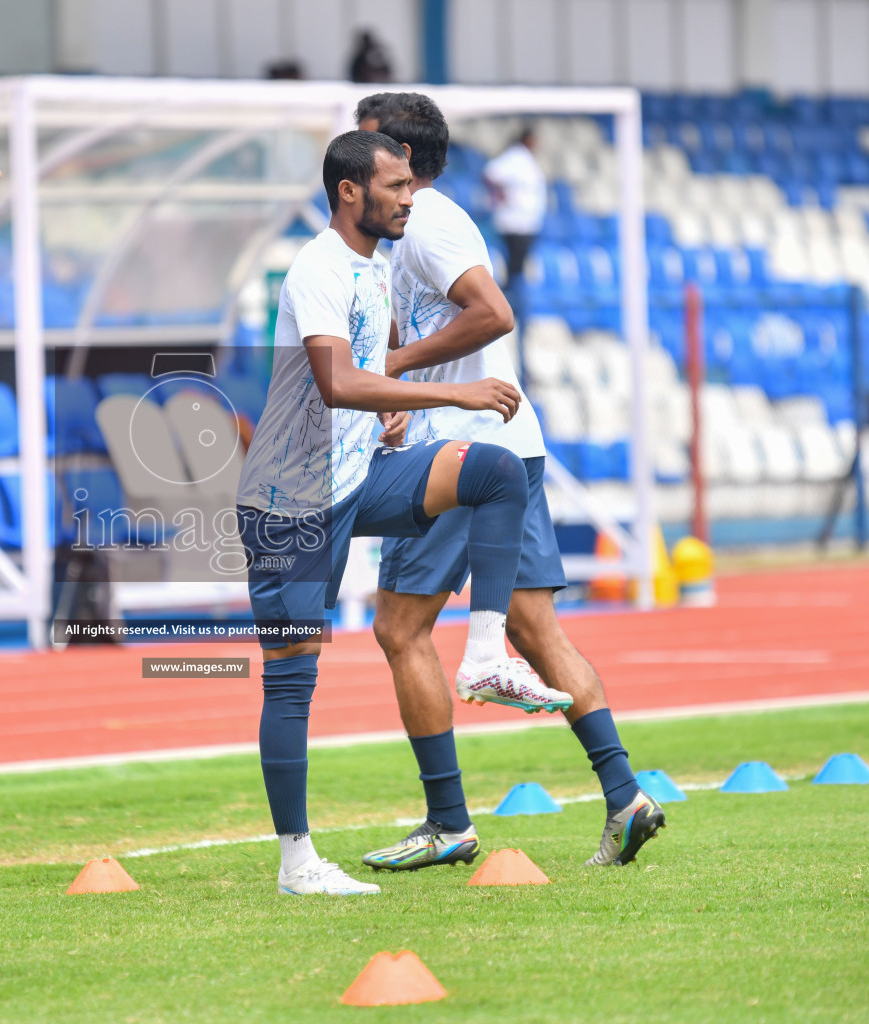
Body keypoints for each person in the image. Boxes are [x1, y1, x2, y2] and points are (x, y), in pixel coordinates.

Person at [234, 129, 568, 898]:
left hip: (358, 481)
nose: (410, 197)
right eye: (396, 186)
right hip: (292, 506)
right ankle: (297, 864)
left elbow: (367, 379)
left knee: (492, 468)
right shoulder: (316, 267)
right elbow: (338, 383)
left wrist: (387, 420)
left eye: (413, 185)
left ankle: (485, 653)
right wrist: (451, 392)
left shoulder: (376, 266)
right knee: (291, 682)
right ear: (350, 192)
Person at [356, 93, 664, 871]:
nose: (349, 170)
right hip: (505, 448)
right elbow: (442, 328)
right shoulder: (412, 229)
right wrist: (398, 399)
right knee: (535, 629)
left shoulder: (426, 222)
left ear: (397, 157)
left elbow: (492, 314)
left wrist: (394, 369)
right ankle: (626, 794)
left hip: (463, 459)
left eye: (362, 150)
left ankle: (447, 822)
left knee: (399, 628)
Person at [482, 126, 546, 289]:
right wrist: (501, 194)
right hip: (514, 222)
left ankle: (513, 300)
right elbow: (490, 173)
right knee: (513, 267)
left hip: (526, 222)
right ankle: (510, 301)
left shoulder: (527, 159)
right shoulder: (514, 157)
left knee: (519, 267)